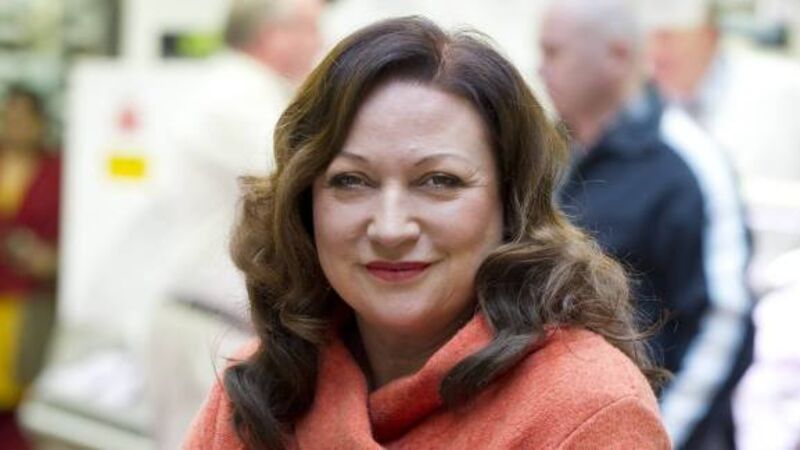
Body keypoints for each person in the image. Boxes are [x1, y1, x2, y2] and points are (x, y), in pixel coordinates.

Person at [184, 16, 670, 449]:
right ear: (304, 202)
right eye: (351, 181)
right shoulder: (260, 387)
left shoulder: (585, 411)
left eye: (439, 181)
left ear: (511, 202)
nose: (391, 227)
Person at [538, 1, 754, 449]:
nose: (541, 68)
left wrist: (658, 435)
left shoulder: (688, 161)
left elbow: (724, 321)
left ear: (617, 55)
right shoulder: (548, 153)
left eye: (554, 52)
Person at [643, 0, 800, 183]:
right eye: (647, 38)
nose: (655, 52)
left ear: (710, 35)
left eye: (667, 37)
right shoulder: (641, 103)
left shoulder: (778, 93)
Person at [0, 85, 60, 449]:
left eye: (25, 118)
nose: (17, 126)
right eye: (11, 118)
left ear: (41, 123)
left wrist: (50, 259)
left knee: (23, 390)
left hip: (31, 300)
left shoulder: (57, 169)